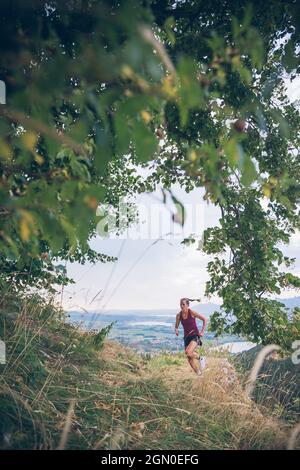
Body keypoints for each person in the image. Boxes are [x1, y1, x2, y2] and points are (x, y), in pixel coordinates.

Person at [175, 297, 206, 376]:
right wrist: (176, 329)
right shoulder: (179, 315)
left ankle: (200, 358)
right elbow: (176, 325)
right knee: (189, 359)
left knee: (188, 352)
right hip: (186, 337)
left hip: (194, 335)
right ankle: (199, 374)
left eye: (183, 304)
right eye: (180, 304)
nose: (182, 306)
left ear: (187, 305)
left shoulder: (192, 312)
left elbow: (204, 319)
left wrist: (202, 331)